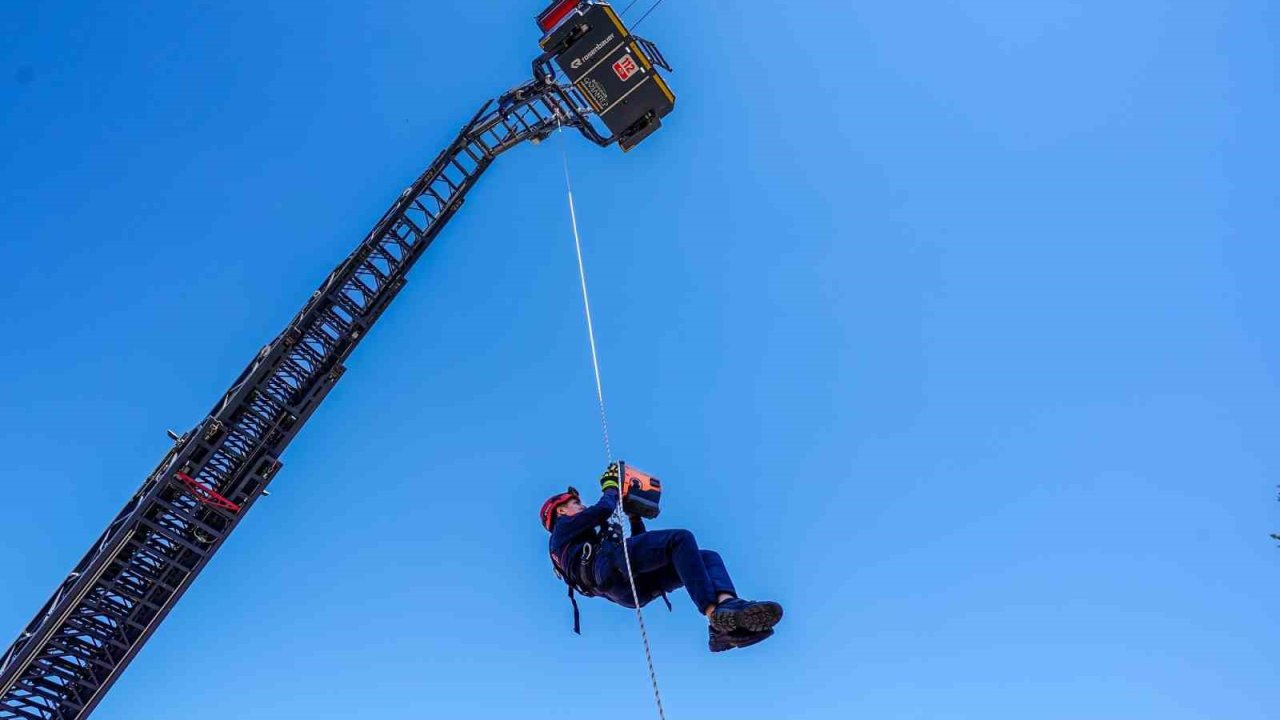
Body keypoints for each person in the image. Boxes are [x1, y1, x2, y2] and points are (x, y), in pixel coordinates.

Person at [540, 463, 783, 653]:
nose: (581, 506)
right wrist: (611, 486)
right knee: (680, 539)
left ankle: (725, 610)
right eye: (576, 503)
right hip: (611, 568)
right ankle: (713, 615)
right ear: (561, 510)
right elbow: (604, 509)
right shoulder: (561, 531)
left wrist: (634, 518)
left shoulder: (579, 543)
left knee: (707, 557)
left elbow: (641, 551)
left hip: (626, 588)